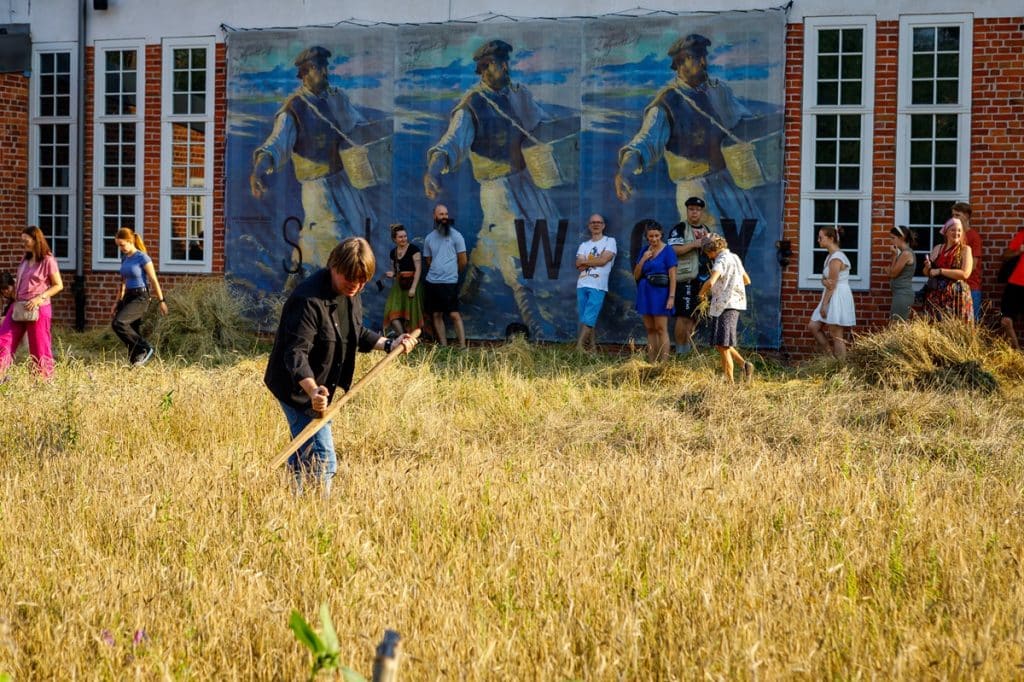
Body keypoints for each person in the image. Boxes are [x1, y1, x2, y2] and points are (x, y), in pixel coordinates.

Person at [424, 39, 575, 340]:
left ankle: (468, 288)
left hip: (528, 181)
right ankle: (536, 326)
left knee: (544, 233)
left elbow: (539, 127)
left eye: (505, 62)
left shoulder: (518, 94)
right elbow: (452, 142)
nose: (504, 68)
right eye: (496, 63)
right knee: (514, 251)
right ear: (484, 68)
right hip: (498, 189)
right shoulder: (471, 106)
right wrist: (433, 170)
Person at [264, 237, 418, 496]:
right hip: (296, 387)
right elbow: (296, 354)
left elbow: (355, 332)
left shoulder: (350, 293)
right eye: (351, 279)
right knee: (323, 456)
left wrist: (390, 344)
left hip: (321, 386)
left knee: (305, 448)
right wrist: (313, 391)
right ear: (334, 266)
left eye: (362, 281)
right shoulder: (308, 300)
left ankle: (293, 500)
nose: (356, 285)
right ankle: (319, 510)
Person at [615, 34, 778, 245]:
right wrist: (624, 171)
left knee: (745, 240)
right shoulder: (666, 104)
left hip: (727, 182)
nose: (703, 63)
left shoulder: (718, 91)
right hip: (695, 188)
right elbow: (645, 142)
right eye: (697, 57)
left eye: (704, 56)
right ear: (680, 63)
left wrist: (774, 123)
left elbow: (741, 124)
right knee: (706, 246)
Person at [249, 46, 380, 277]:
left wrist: (375, 135)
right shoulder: (293, 110)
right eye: (320, 68)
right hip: (317, 187)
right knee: (334, 236)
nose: (326, 73)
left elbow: (357, 127)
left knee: (355, 228)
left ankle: (299, 276)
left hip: (343, 180)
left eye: (326, 67)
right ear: (306, 72)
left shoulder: (334, 99)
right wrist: (258, 172)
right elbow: (275, 145)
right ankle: (326, 287)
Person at [0, 226, 64, 379]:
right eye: (22, 240)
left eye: (26, 240)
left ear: (36, 240)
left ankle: (43, 382)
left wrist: (39, 298)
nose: (23, 243)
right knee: (3, 340)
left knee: (39, 347)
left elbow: (58, 285)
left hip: (38, 308)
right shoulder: (25, 259)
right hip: (19, 306)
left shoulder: (48, 260)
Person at [666, 196, 719, 356]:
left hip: (703, 280)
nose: (694, 212)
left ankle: (687, 351)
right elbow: (672, 250)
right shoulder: (680, 228)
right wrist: (694, 244)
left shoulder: (706, 229)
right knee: (683, 316)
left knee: (695, 316)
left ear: (702, 212)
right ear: (687, 210)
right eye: (691, 209)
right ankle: (680, 352)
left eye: (697, 209)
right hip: (686, 279)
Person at [698, 234, 753, 383]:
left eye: (707, 253)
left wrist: (701, 294)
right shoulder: (734, 257)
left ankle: (730, 384)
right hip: (734, 304)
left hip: (725, 305)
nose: (708, 256)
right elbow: (746, 280)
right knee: (722, 343)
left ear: (711, 250)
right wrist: (731, 285)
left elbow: (711, 281)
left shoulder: (721, 260)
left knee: (723, 346)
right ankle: (745, 365)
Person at [110, 228, 168, 367]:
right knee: (132, 330)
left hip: (140, 297)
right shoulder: (124, 258)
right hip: (128, 296)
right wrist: (118, 301)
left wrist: (161, 301)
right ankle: (135, 363)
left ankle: (144, 348)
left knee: (119, 323)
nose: (121, 248)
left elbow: (153, 280)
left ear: (130, 241)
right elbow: (123, 281)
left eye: (122, 245)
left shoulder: (143, 258)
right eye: (118, 245)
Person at [632, 219, 677, 363]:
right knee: (650, 329)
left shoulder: (668, 250)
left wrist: (671, 297)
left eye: (657, 235)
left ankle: (664, 363)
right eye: (651, 236)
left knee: (661, 328)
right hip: (645, 291)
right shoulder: (644, 251)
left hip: (661, 293)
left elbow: (673, 276)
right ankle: (652, 362)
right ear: (646, 236)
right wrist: (643, 259)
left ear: (661, 234)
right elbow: (636, 275)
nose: (654, 239)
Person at [422, 205, 467, 348]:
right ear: (434, 216)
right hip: (432, 283)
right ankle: (444, 347)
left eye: (446, 214)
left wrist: (452, 273)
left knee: (454, 315)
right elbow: (428, 261)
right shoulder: (429, 238)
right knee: (436, 315)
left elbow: (463, 260)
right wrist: (438, 270)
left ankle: (462, 347)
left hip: (450, 283)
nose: (444, 217)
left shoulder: (457, 236)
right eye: (441, 214)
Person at [808, 226, 856, 361]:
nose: (818, 240)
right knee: (813, 326)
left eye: (820, 237)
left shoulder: (836, 258)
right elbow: (825, 279)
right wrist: (824, 281)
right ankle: (831, 358)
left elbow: (832, 284)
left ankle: (841, 366)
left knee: (836, 334)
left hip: (837, 295)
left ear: (831, 238)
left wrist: (824, 304)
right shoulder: (830, 256)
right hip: (831, 293)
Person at [574, 213, 617, 352]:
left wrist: (586, 261)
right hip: (582, 284)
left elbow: (604, 260)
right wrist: (596, 260)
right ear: (589, 226)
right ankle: (592, 349)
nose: (596, 224)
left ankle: (579, 347)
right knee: (586, 318)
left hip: (598, 285)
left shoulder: (610, 241)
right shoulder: (584, 245)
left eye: (599, 222)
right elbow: (578, 265)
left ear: (603, 225)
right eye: (593, 222)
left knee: (590, 317)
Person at [923, 217, 974, 322]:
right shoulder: (938, 248)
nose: (956, 233)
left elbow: (965, 274)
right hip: (936, 297)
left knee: (956, 328)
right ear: (946, 232)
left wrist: (940, 271)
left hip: (957, 297)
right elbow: (927, 273)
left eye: (959, 230)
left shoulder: (965, 250)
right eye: (953, 230)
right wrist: (928, 268)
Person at [382, 223, 425, 337]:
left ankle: (412, 340)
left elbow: (418, 270)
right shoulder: (393, 253)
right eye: (400, 237)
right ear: (394, 239)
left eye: (405, 236)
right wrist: (392, 274)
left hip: (412, 284)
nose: (403, 239)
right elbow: (395, 271)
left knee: (412, 315)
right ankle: (403, 338)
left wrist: (413, 288)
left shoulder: (413, 249)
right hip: (399, 286)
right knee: (392, 314)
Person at [951, 202, 982, 320]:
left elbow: (973, 265)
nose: (954, 218)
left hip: (971, 287)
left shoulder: (973, 236)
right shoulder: (954, 236)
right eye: (953, 215)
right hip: (954, 287)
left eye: (957, 215)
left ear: (967, 216)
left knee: (972, 324)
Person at [998, 225, 1024, 348]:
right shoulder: (1022, 235)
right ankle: (1017, 354)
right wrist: (1018, 251)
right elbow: (1005, 256)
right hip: (1014, 284)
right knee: (1005, 321)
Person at [888, 225, 917, 321]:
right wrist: (894, 256)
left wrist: (894, 256)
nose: (891, 241)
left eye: (893, 238)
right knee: (895, 324)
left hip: (903, 295)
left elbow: (893, 274)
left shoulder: (906, 254)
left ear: (901, 238)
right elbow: (892, 272)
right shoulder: (902, 253)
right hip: (899, 294)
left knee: (897, 325)